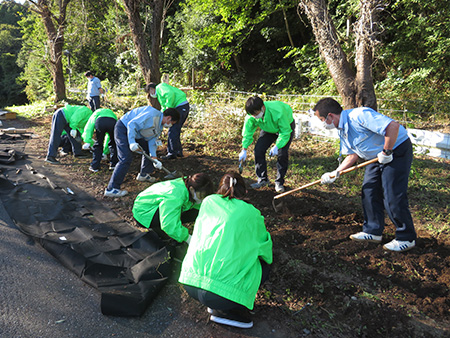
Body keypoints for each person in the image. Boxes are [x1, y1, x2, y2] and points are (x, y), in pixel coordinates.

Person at [313, 97, 417, 252]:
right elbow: (352, 155)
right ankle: (373, 231)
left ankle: (406, 237)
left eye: (321, 119)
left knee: (392, 193)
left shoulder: (359, 116)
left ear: (330, 116)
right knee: (369, 191)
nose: (322, 123)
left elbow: (393, 126)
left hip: (396, 149)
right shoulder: (342, 130)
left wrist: (387, 151)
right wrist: (336, 172)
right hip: (375, 157)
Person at [179, 171, 273, 329]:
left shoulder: (208, 201)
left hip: (190, 283)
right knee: (265, 265)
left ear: (219, 189)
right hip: (221, 295)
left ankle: (214, 301)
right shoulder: (251, 213)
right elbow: (264, 248)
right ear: (246, 192)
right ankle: (227, 310)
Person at [104, 106, 180, 197]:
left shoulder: (159, 127)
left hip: (137, 134)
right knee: (125, 159)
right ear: (169, 118)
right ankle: (112, 189)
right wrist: (132, 142)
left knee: (147, 149)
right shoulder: (151, 115)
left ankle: (144, 174)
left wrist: (154, 158)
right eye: (172, 123)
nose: (170, 125)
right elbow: (132, 124)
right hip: (123, 128)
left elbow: (152, 141)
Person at [132, 173, 214, 245]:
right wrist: (188, 238)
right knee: (171, 224)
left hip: (155, 205)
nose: (202, 199)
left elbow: (200, 207)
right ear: (192, 189)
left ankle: (169, 231)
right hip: (144, 213)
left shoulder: (189, 183)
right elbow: (168, 224)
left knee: (198, 211)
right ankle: (159, 229)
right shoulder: (175, 196)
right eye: (201, 196)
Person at [238, 96, 295, 193]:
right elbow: (248, 133)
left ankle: (279, 182)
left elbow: (285, 133)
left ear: (262, 108)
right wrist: (244, 149)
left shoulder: (278, 112)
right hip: (268, 128)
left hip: (285, 127)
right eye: (252, 115)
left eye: (256, 114)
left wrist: (277, 146)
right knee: (258, 150)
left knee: (282, 153)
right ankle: (262, 179)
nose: (254, 117)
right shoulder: (251, 116)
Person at [145, 82, 189, 160]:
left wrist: (169, 108)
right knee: (176, 129)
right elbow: (163, 106)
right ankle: (178, 151)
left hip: (180, 106)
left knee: (173, 129)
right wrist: (161, 115)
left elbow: (170, 94)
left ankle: (172, 153)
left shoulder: (160, 87)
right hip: (181, 107)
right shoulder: (159, 93)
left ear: (151, 89)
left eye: (149, 92)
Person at [82, 108, 118, 172]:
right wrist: (105, 152)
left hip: (100, 121)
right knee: (113, 142)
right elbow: (108, 138)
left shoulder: (95, 113)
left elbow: (89, 127)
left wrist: (87, 140)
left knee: (99, 143)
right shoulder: (112, 114)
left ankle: (95, 166)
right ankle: (114, 164)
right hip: (112, 122)